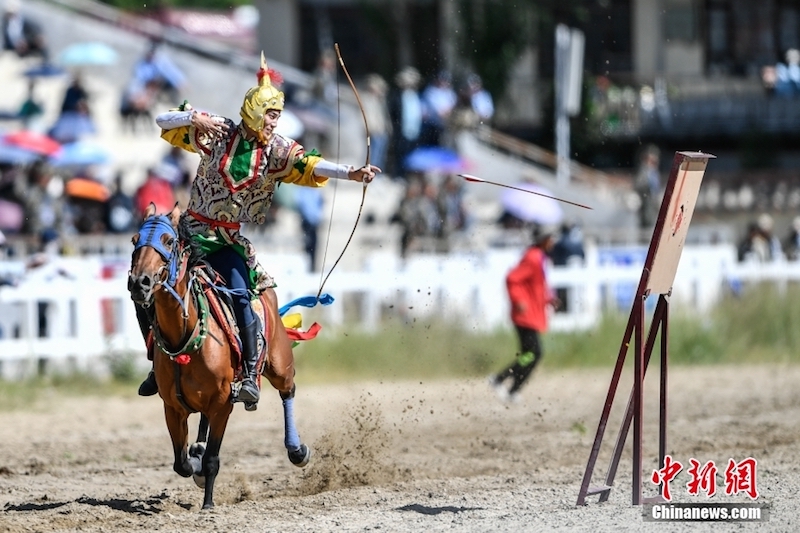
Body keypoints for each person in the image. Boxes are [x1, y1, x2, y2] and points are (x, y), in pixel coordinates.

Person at [137, 52, 381, 406]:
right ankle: (155, 364)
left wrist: (351, 173)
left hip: (225, 243)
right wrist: (192, 117)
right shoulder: (218, 131)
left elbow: (311, 164)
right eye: (271, 114)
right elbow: (162, 120)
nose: (274, 122)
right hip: (188, 234)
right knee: (145, 284)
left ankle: (250, 374)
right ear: (254, 111)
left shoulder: (277, 151)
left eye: (278, 115)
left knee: (240, 294)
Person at [489, 225, 559, 403]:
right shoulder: (532, 257)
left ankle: (508, 386)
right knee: (534, 353)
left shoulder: (539, 258)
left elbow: (535, 286)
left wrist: (549, 299)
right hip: (525, 315)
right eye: (550, 239)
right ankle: (502, 381)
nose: (552, 242)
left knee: (529, 354)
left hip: (531, 314)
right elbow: (512, 279)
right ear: (543, 240)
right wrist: (519, 300)